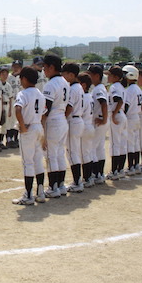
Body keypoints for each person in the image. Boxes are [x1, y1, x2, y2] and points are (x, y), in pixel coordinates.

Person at [11, 67, 47, 205]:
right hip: (38, 126)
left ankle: (28, 195)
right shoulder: (40, 93)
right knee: (38, 160)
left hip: (29, 128)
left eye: (21, 78)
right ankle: (41, 192)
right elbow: (44, 112)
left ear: (25, 79)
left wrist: (23, 125)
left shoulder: (23, 93)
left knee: (28, 162)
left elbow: (18, 109)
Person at [42, 54, 70, 198]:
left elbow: (46, 109)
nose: (44, 70)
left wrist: (42, 130)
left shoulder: (51, 84)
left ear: (52, 67)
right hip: (62, 119)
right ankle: (60, 185)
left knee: (51, 155)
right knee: (59, 154)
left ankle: (53, 187)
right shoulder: (65, 81)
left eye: (45, 67)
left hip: (53, 121)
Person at [62, 63, 85, 193]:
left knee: (72, 153)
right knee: (74, 152)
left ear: (71, 75)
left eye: (64, 74)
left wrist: (63, 118)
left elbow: (69, 107)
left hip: (73, 120)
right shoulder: (78, 87)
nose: (63, 76)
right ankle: (77, 181)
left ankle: (77, 182)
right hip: (78, 120)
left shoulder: (73, 88)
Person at [88, 65, 109, 184]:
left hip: (99, 121)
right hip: (101, 121)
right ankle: (100, 174)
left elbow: (103, 103)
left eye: (91, 75)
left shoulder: (98, 89)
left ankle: (95, 174)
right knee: (99, 148)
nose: (89, 77)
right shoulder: (100, 87)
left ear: (97, 76)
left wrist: (104, 119)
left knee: (92, 148)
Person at [107, 66, 128, 180]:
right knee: (122, 144)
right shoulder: (121, 86)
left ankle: (114, 171)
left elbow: (118, 100)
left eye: (110, 75)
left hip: (117, 115)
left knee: (115, 144)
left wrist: (114, 114)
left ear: (116, 77)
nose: (108, 77)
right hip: (122, 115)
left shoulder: (114, 86)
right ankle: (120, 170)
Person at [122, 65, 142, 175]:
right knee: (135, 142)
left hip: (130, 117)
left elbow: (126, 106)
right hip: (137, 117)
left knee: (130, 143)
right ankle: (136, 165)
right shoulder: (138, 88)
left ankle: (131, 167)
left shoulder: (129, 90)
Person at [78, 73, 96, 187]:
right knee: (87, 153)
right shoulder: (89, 96)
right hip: (90, 125)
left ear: (83, 85)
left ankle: (87, 177)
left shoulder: (83, 97)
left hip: (84, 126)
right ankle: (90, 177)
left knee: (83, 154)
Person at [0, 66, 15, 149]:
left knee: (5, 125)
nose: (5, 76)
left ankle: (1, 142)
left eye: (6, 74)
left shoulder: (8, 85)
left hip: (7, 105)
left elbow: (11, 97)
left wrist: (10, 110)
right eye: (3, 74)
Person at [7, 59, 23, 148]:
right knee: (10, 120)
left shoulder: (22, 77)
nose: (16, 68)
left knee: (17, 120)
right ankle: (9, 139)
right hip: (11, 100)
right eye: (15, 66)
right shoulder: (9, 77)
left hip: (19, 101)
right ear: (12, 67)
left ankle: (15, 138)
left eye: (18, 67)